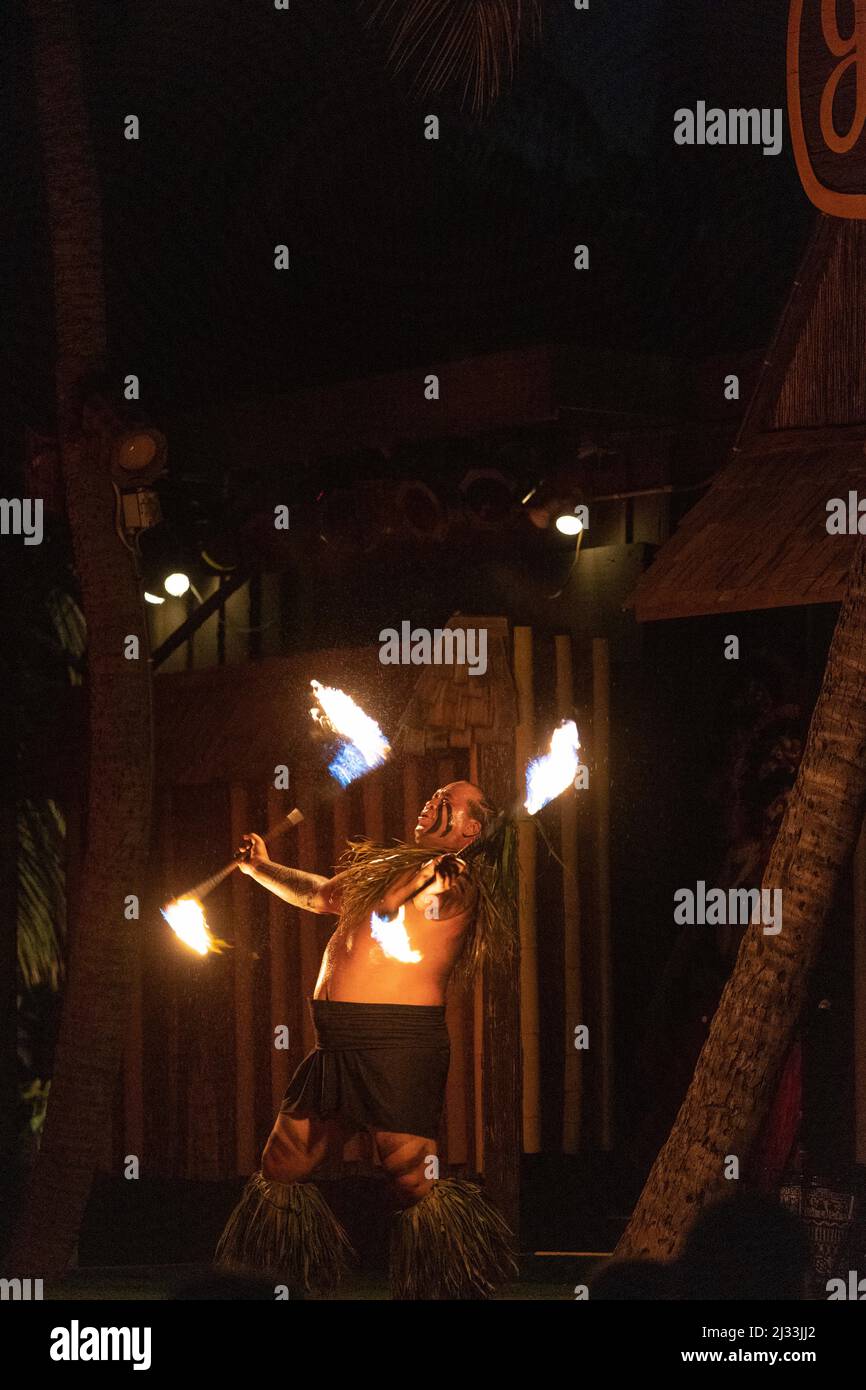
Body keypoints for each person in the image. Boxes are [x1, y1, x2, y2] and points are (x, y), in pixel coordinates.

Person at [214, 781, 518, 1299]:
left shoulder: (455, 878)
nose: (431, 799)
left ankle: (453, 1287)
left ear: (471, 829)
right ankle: (275, 1284)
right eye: (433, 792)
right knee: (280, 1169)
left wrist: (413, 883)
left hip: (397, 1044)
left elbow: (394, 915)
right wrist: (259, 867)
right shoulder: (394, 870)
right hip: (337, 1046)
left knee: (413, 1182)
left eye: (448, 797)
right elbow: (318, 895)